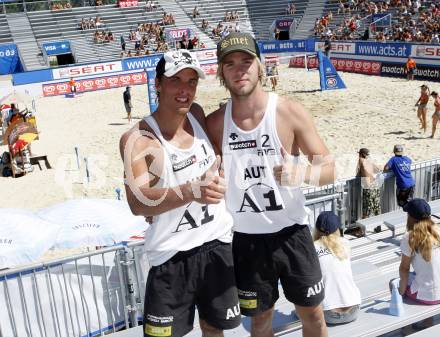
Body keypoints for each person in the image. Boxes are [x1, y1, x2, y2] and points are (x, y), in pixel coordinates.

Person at [207, 32, 335, 337]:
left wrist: (302, 175)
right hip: (245, 241)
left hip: (292, 234)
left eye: (246, 61)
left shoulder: (289, 112)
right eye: (230, 63)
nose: (240, 70)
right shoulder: (214, 124)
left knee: (314, 316)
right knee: (260, 321)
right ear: (221, 73)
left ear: (260, 66)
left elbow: (329, 168)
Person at [120, 49, 241, 337]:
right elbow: (138, 203)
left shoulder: (197, 114)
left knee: (214, 330)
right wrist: (190, 191)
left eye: (191, 81)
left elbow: (216, 159)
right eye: (176, 80)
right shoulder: (137, 138)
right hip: (170, 255)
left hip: (216, 242)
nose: (185, 90)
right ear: (158, 84)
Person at [313, 212, 361, 325]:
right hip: (354, 309)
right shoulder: (345, 243)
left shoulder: (312, 248)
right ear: (337, 229)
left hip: (329, 314)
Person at [396, 198, 440, 305]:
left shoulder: (409, 238)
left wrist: (401, 293)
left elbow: (404, 269)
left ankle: (406, 318)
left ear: (410, 218)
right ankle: (428, 322)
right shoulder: (438, 232)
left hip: (426, 295)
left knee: (395, 283)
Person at [357, 148, 382, 232]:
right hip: (375, 185)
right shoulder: (369, 161)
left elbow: (359, 173)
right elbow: (378, 169)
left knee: (366, 209)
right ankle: (378, 227)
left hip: (368, 187)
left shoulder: (361, 160)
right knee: (376, 207)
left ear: (361, 154)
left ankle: (362, 230)